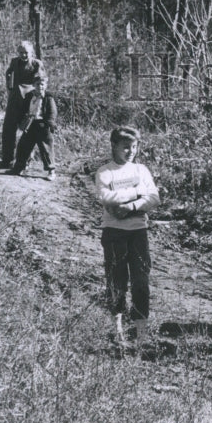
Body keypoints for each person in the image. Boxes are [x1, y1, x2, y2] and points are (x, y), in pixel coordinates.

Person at [94, 127, 161, 345]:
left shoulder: (141, 170)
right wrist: (136, 191)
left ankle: (141, 331)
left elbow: (153, 198)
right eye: (125, 146)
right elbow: (106, 197)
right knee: (116, 281)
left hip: (138, 232)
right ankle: (118, 330)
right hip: (114, 232)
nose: (130, 151)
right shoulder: (105, 172)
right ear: (113, 145)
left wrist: (131, 206)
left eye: (134, 147)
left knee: (141, 281)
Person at [0, 40, 44, 169]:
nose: (23, 55)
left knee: (28, 130)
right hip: (15, 100)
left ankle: (24, 161)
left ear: (31, 52)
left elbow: (41, 81)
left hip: (29, 101)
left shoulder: (36, 64)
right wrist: (9, 88)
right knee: (8, 129)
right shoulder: (14, 62)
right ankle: (7, 160)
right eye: (21, 52)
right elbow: (9, 73)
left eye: (26, 53)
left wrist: (37, 98)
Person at [9, 74, 58, 180]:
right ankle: (19, 167)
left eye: (42, 84)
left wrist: (49, 124)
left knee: (46, 148)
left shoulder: (48, 97)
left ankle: (51, 171)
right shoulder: (29, 96)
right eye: (38, 84)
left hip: (43, 125)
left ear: (45, 85)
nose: (40, 87)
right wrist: (20, 121)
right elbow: (22, 110)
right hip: (30, 124)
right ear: (33, 85)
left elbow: (52, 113)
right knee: (23, 146)